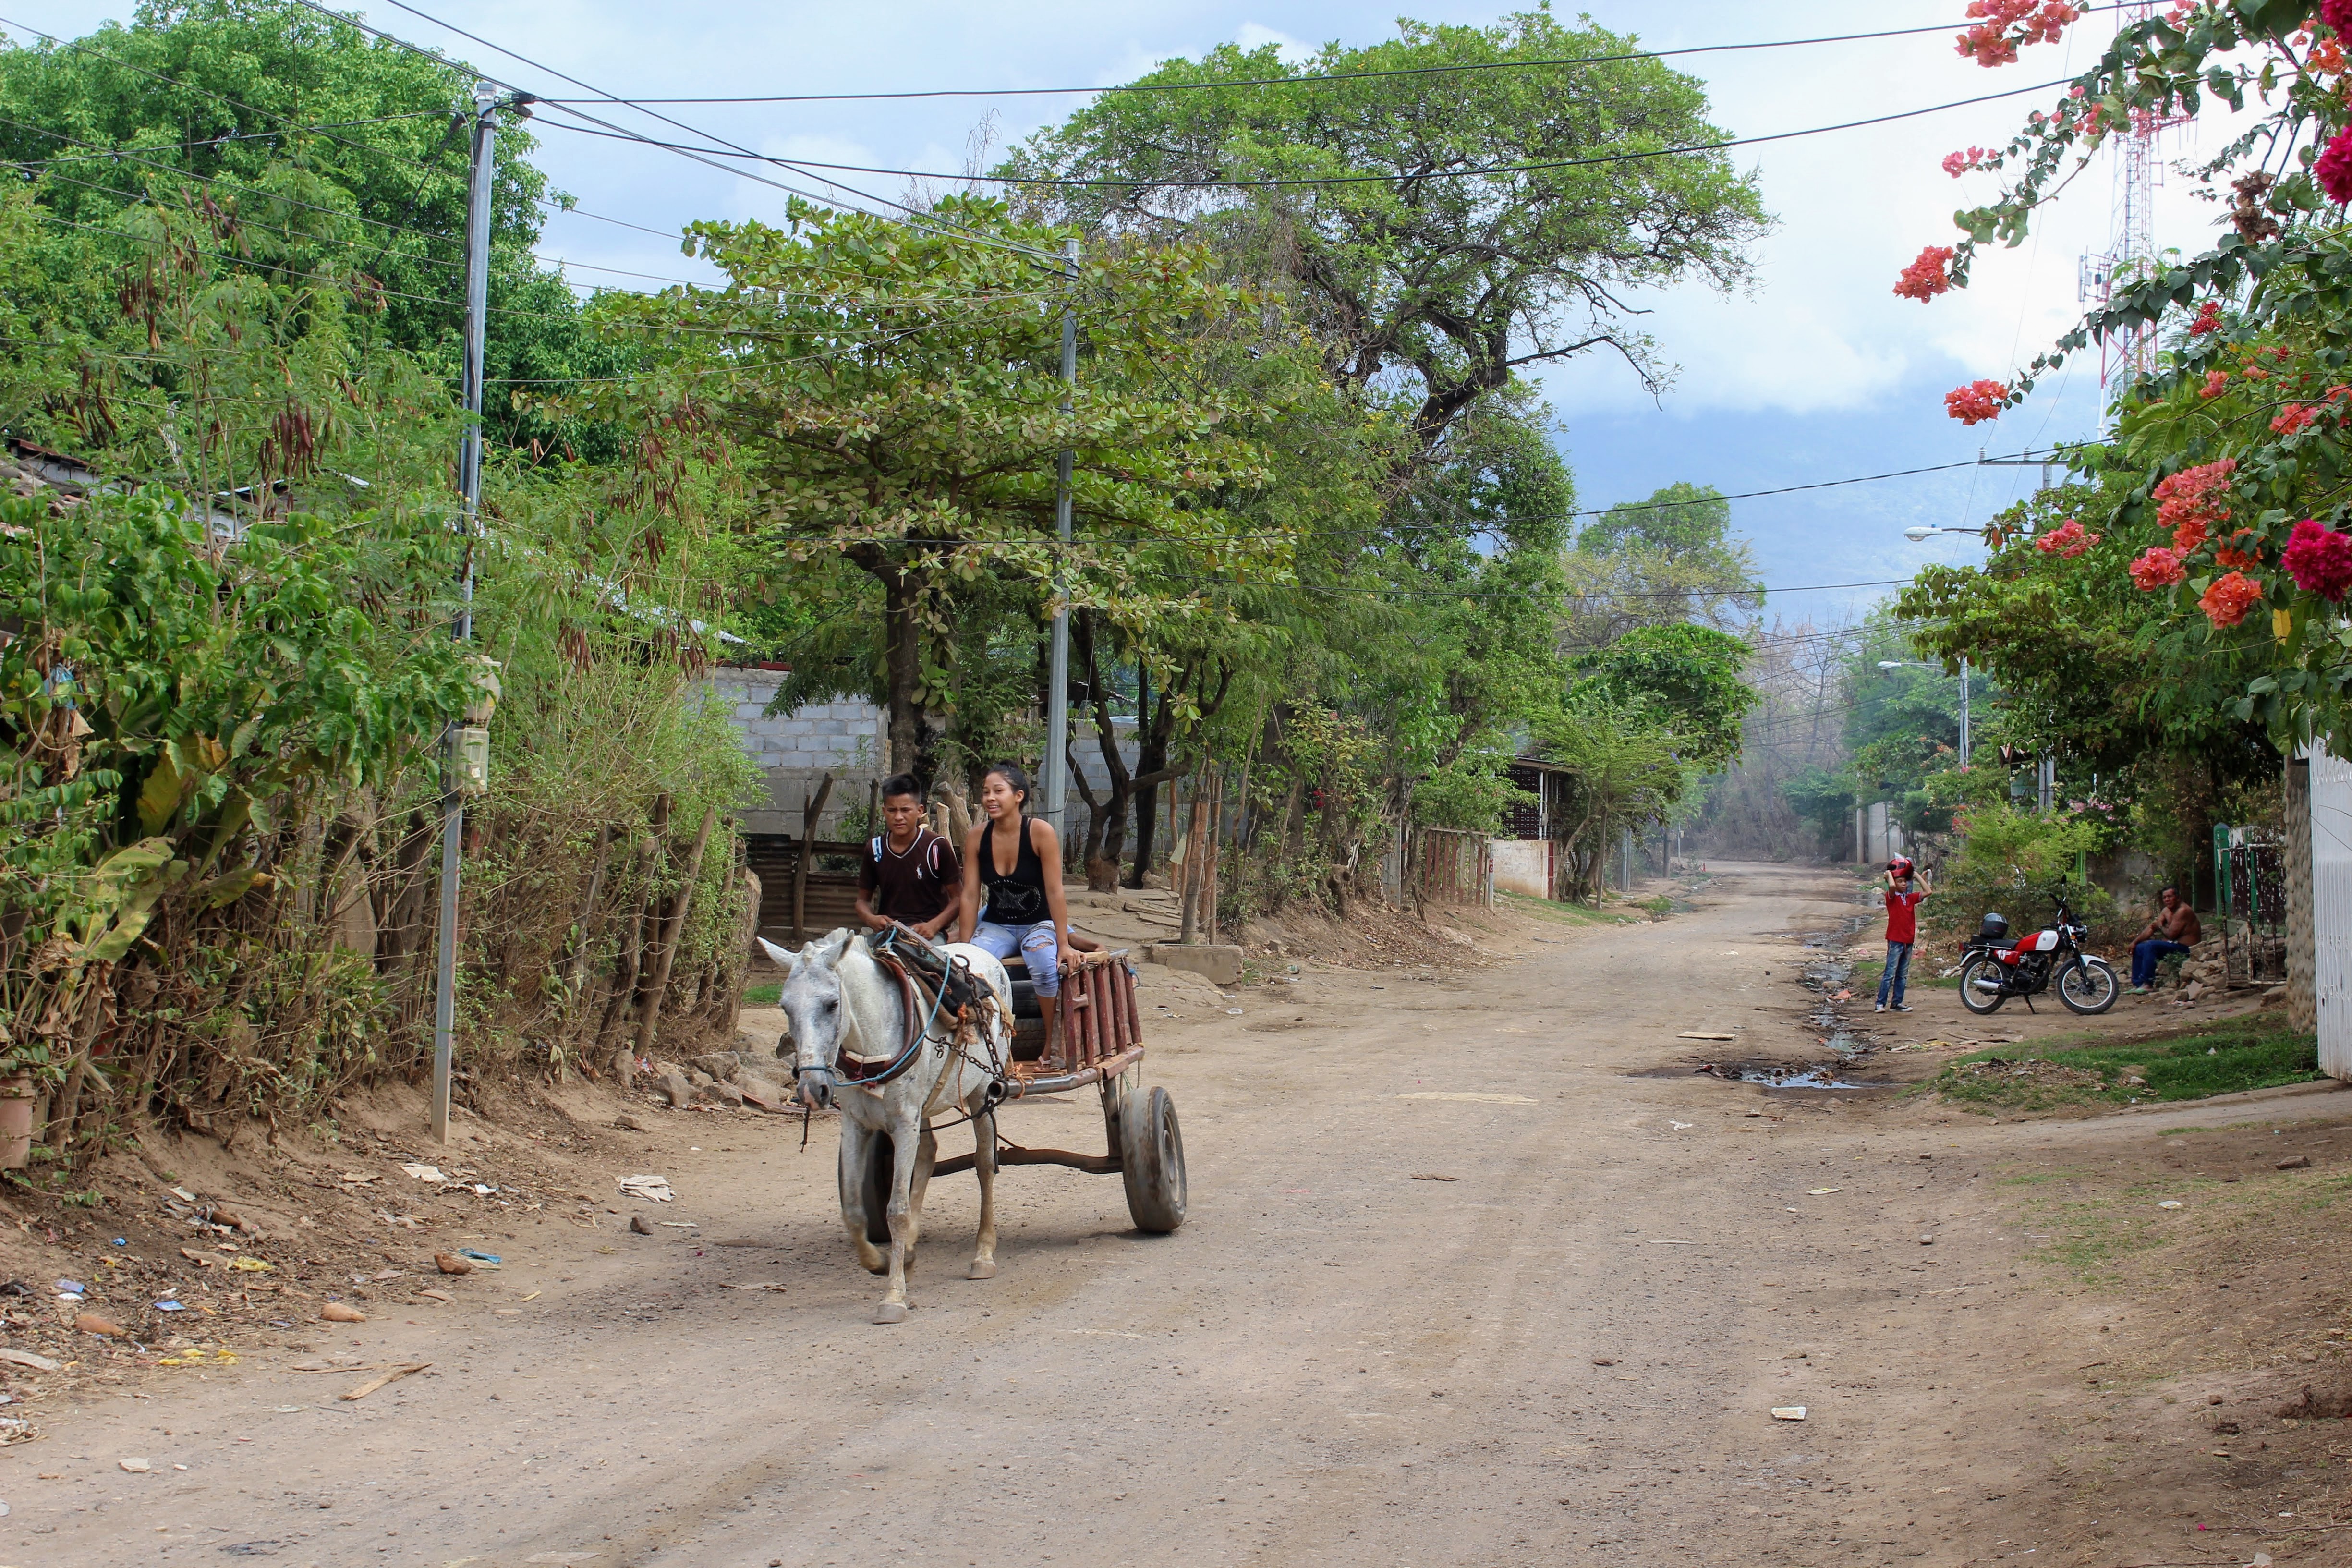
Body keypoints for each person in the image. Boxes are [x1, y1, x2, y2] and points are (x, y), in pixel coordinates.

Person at [957, 762, 1079, 1049]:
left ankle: (1053, 1041)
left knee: (1045, 964)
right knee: (972, 968)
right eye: (986, 792)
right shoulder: (977, 837)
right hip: (996, 925)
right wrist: (964, 949)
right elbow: (970, 895)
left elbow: (1055, 891)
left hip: (1038, 924)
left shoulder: (1040, 833)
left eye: (999, 791)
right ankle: (986, 1045)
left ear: (1019, 796)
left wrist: (1063, 944)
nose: (990, 798)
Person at [854, 773, 961, 940]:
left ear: (920, 811)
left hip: (928, 936)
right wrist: (871, 919)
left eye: (905, 810)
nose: (898, 817)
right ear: (884, 811)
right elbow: (862, 901)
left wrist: (934, 925)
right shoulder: (875, 850)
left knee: (924, 964)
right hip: (888, 934)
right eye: (892, 810)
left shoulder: (936, 847)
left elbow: (959, 898)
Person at [1876, 856, 1929, 1014]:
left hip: (1908, 941)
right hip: (1895, 941)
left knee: (1902, 975)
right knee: (1889, 974)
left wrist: (1917, 876)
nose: (1904, 884)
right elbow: (1892, 886)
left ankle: (1897, 1002)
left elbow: (1928, 891)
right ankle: (1880, 1003)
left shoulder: (1910, 898)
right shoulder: (1891, 898)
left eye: (1906, 881)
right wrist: (1890, 876)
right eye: (1901, 881)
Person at [2128, 885, 2203, 995]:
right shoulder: (2166, 911)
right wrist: (2134, 942)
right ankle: (2138, 984)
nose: (2167, 900)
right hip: (2173, 946)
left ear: (2178, 898)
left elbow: (2171, 935)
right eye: (2165, 898)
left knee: (2151, 945)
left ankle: (2148, 983)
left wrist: (2160, 926)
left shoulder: (2183, 911)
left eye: (2170, 897)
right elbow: (2151, 928)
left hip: (2186, 949)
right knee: (2140, 948)